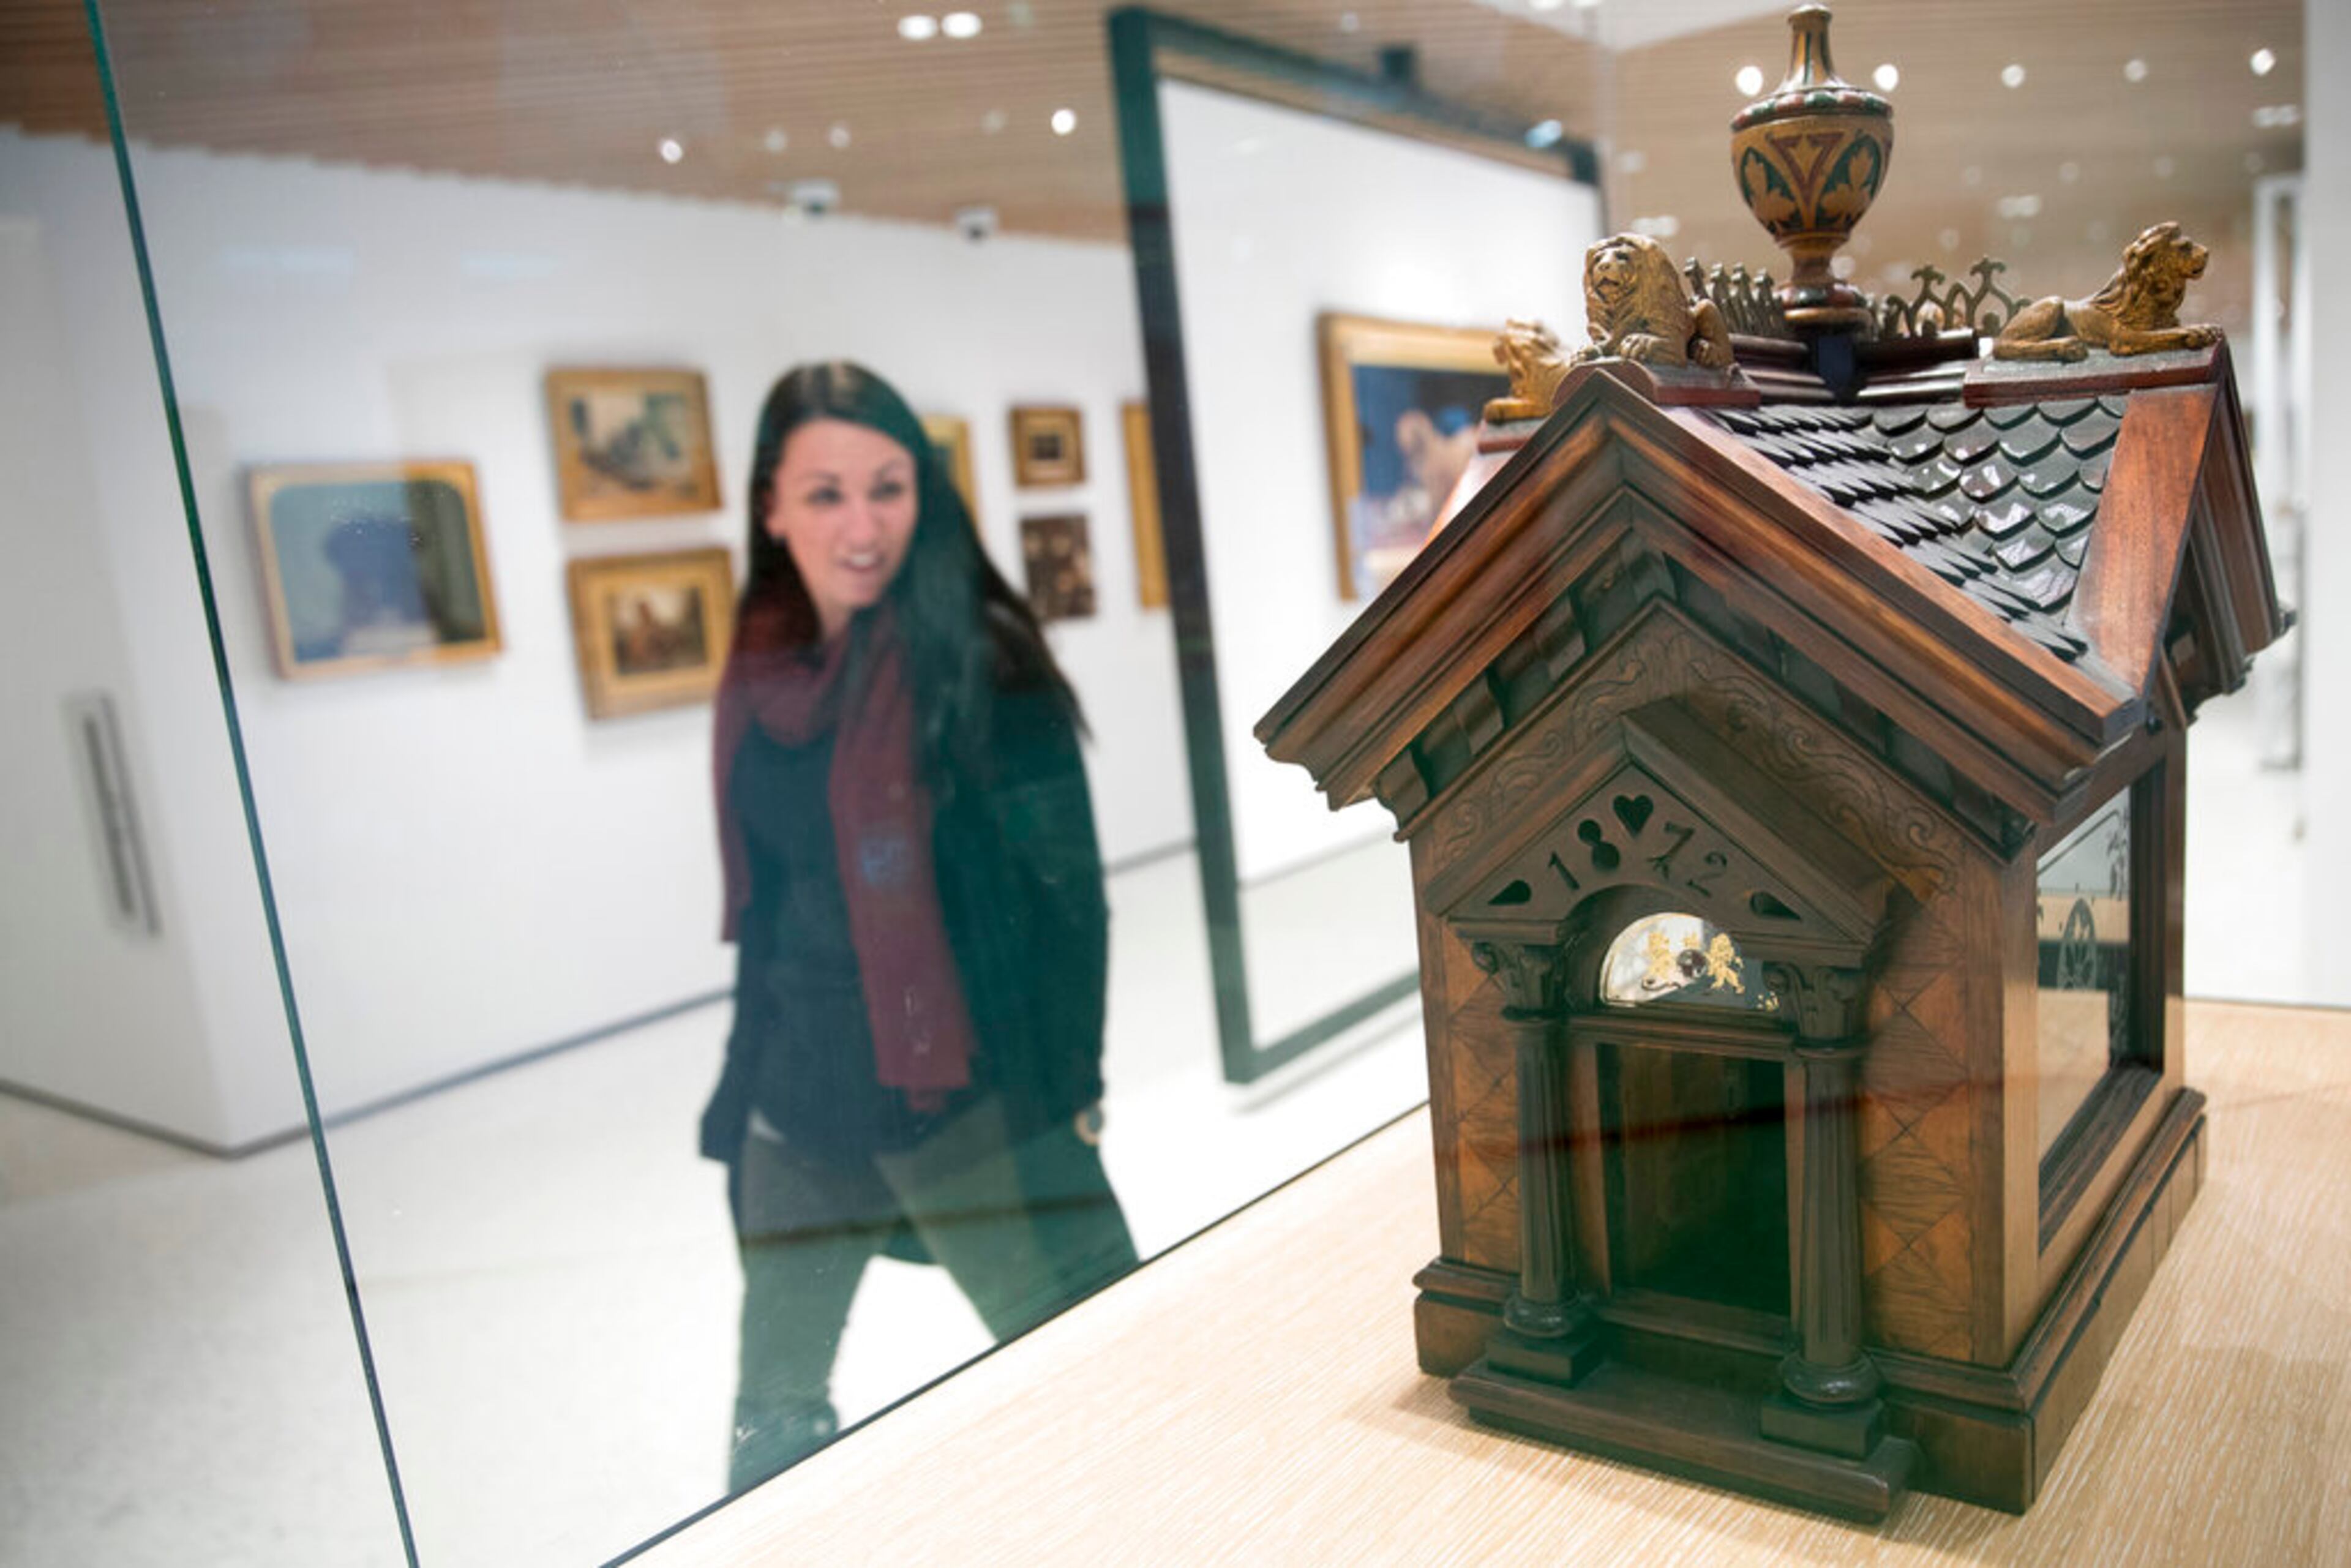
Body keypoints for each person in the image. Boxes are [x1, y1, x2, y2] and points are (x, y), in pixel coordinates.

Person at [700, 362, 1136, 1491]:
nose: (862, 527)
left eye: (887, 489)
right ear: (771, 507)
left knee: (1102, 1384)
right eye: (826, 493)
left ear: (923, 492)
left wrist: (1072, 1094)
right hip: (799, 1102)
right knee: (770, 1422)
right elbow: (768, 909)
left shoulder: (981, 656)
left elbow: (1068, 897)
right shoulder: (761, 667)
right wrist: (740, 1087)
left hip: (960, 1100)